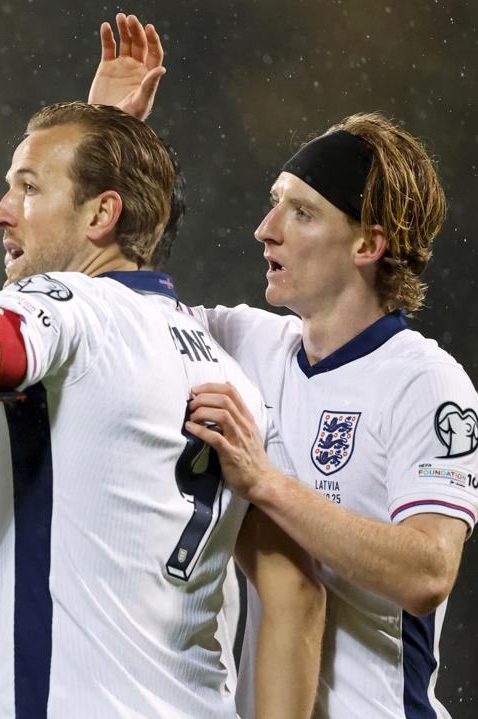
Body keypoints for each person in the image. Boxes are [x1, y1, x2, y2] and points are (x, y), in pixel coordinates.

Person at [0, 86, 324, 717]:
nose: (1, 212)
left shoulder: (71, 312)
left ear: (103, 215)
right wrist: (101, 125)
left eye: (27, 187)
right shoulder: (226, 367)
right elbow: (296, 594)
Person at [184, 115, 476, 718]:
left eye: (303, 213)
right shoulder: (245, 340)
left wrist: (265, 482)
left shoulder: (427, 382)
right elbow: (119, 314)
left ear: (368, 245)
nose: (266, 230)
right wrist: (111, 130)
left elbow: (427, 572)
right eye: (274, 205)